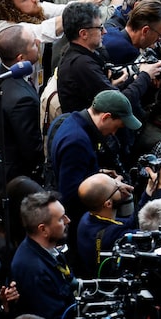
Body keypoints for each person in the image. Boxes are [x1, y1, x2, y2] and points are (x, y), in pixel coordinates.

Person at [48, 89, 143, 223]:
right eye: (117, 127)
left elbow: (77, 173)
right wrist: (112, 188)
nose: (114, 133)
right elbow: (72, 194)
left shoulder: (71, 121)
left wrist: (100, 174)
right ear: (106, 117)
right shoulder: (77, 141)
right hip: (79, 223)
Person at [56, 1, 161, 114]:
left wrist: (134, 78)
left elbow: (109, 95)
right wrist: (145, 76)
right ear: (83, 34)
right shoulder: (81, 64)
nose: (105, 32)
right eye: (100, 28)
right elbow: (118, 104)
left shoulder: (80, 55)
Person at [0, 26, 44, 184]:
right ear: (21, 58)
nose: (38, 42)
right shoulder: (23, 99)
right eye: (33, 44)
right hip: (16, 176)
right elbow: (31, 149)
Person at [9, 192, 76, 319]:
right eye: (61, 219)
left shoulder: (47, 250)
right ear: (43, 229)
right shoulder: (34, 271)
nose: (68, 221)